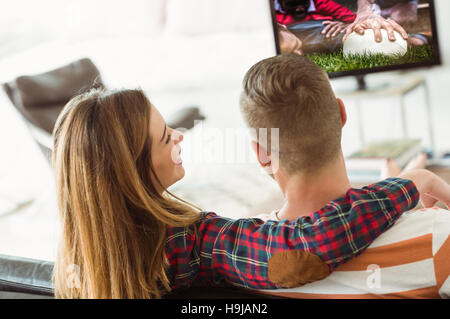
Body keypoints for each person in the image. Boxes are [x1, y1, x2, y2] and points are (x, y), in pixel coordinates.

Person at [50, 88, 433, 299]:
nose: (179, 136)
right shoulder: (189, 242)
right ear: (134, 174)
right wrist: (412, 183)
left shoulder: (75, 266)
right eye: (166, 137)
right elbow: (302, 251)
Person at [239, 53, 450, 298]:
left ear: (260, 153)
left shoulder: (247, 256)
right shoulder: (436, 238)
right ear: (341, 114)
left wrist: (396, 190)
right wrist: (411, 205)